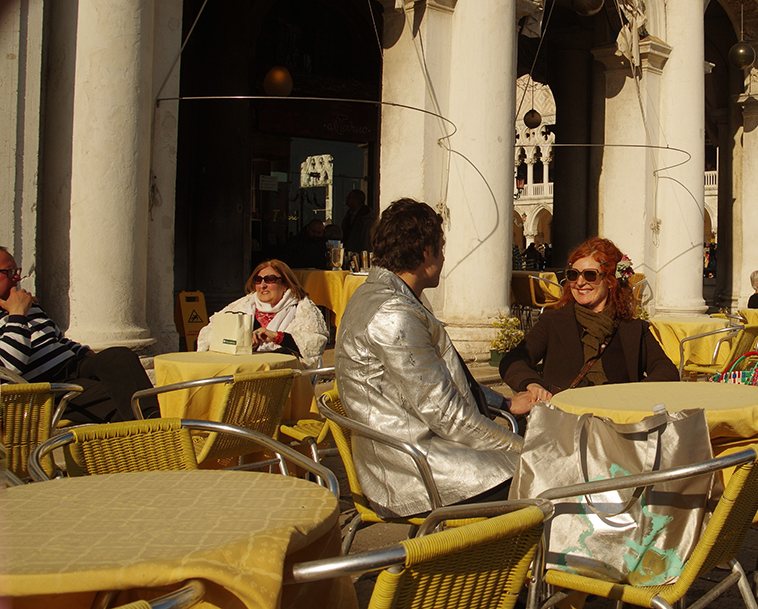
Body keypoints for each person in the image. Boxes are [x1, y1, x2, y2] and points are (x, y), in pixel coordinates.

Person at [335, 198, 526, 518]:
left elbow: (442, 383)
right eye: (441, 246)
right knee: (555, 479)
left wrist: (504, 404)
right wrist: (523, 449)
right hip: (414, 473)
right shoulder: (394, 313)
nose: (443, 255)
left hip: (414, 451)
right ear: (427, 252)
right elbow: (447, 415)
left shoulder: (376, 294)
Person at [500, 237, 678, 399]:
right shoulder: (553, 322)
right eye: (573, 274)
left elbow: (666, 370)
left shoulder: (634, 328)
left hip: (618, 421)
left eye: (590, 275)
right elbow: (513, 360)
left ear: (610, 281)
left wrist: (631, 397)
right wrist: (532, 384)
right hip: (566, 420)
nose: (579, 282)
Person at [0, 247, 157, 423]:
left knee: (118, 356)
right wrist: (17, 314)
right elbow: (8, 367)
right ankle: (154, 430)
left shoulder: (29, 306)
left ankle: (153, 424)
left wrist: (87, 355)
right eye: (9, 272)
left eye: (17, 271)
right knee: (116, 396)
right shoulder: (20, 309)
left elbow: (58, 340)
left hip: (74, 367)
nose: (17, 277)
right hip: (47, 388)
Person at [197, 259, 328, 368]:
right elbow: (208, 335)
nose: (263, 285)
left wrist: (278, 337)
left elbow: (316, 343)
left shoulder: (303, 308)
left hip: (284, 376)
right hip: (241, 372)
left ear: (285, 284)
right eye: (258, 280)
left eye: (270, 279)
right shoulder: (241, 306)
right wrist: (242, 342)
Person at [340, 189, 373, 255]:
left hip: (360, 254)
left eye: (350, 197)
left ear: (357, 200)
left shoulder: (367, 219)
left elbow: (366, 241)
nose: (347, 199)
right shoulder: (349, 214)